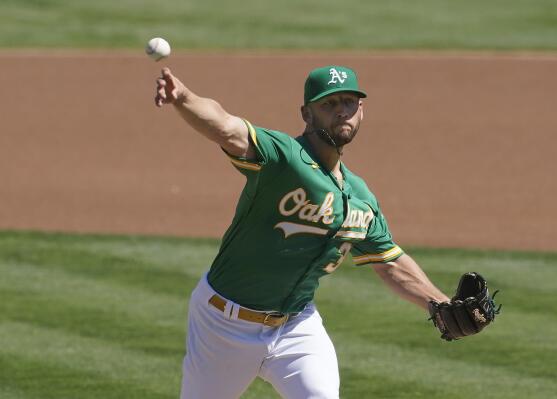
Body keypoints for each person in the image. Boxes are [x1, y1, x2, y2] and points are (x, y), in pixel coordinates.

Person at [154, 65, 450, 399]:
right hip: (224, 325)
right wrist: (184, 98)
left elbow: (390, 263)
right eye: (329, 104)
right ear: (306, 114)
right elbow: (226, 128)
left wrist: (439, 302)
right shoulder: (283, 158)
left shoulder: (360, 197)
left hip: (296, 327)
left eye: (349, 102)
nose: (341, 110)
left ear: (361, 111)